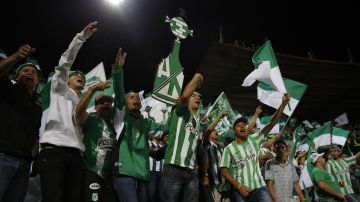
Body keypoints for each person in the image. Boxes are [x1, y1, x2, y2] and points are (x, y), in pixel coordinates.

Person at [37, 21, 98, 202]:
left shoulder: (82, 103)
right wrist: (81, 38)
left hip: (75, 155)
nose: (80, 76)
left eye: (82, 76)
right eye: (75, 74)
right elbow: (65, 63)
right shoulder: (59, 89)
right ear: (67, 79)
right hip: (54, 151)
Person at [112, 50, 167, 202]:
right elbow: (118, 91)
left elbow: (165, 128)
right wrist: (118, 70)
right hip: (124, 173)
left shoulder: (146, 123)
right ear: (125, 102)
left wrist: (178, 107)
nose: (135, 98)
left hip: (143, 174)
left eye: (137, 97)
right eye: (131, 97)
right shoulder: (121, 116)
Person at [76, 49, 126, 202]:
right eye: (101, 103)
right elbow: (79, 113)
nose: (106, 104)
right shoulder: (90, 120)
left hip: (108, 176)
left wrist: (117, 71)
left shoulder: (115, 125)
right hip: (91, 172)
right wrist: (91, 90)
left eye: (108, 102)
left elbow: (120, 96)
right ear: (95, 107)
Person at [220, 94, 290, 202]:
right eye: (239, 125)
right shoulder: (229, 149)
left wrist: (283, 104)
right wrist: (239, 186)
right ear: (234, 131)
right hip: (240, 190)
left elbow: (271, 123)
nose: (243, 126)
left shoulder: (254, 139)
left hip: (259, 187)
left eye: (244, 124)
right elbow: (224, 171)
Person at [0, 44, 42, 202]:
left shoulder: (37, 105)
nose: (30, 72)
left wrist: (35, 159)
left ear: (38, 80)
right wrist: (17, 56)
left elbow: (35, 134)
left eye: (34, 72)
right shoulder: (8, 89)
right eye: (25, 70)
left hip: (25, 164)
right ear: (17, 76)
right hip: (3, 158)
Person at [159, 73, 204, 202]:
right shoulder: (181, 112)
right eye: (194, 95)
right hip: (174, 168)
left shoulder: (198, 121)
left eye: (199, 96)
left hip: (191, 171)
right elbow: (184, 97)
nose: (197, 97)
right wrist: (196, 77)